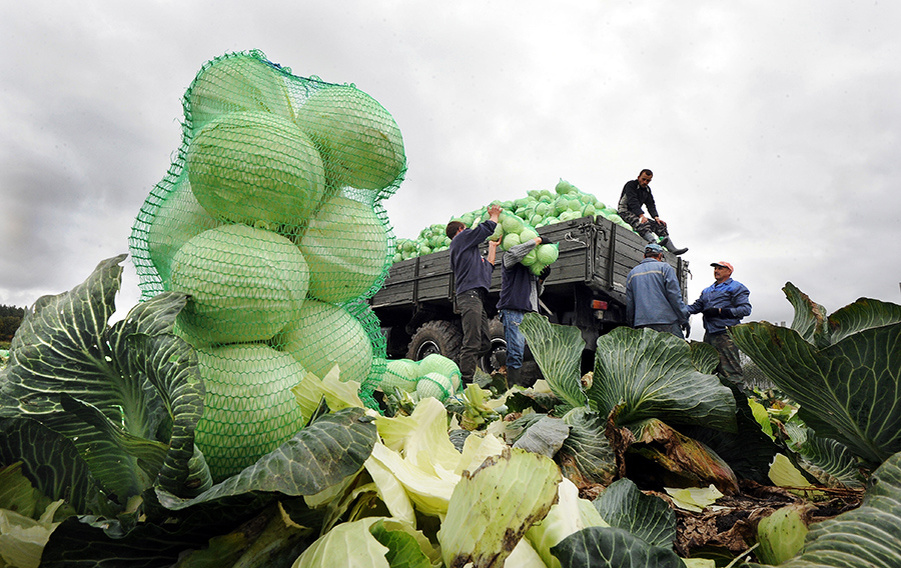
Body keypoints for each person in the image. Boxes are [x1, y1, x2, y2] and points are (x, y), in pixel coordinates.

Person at [447, 204, 502, 383]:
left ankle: (461, 365)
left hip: (476, 297)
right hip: (468, 296)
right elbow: (484, 229)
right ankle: (466, 383)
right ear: (461, 230)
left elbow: (489, 266)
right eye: (465, 229)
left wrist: (492, 246)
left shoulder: (471, 255)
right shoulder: (459, 241)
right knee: (472, 341)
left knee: (484, 343)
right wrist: (494, 216)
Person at [496, 235, 553, 387]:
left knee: (536, 350)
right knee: (516, 353)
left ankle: (503, 357)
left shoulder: (530, 267)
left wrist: (541, 279)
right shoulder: (510, 259)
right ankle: (514, 390)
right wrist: (538, 240)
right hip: (514, 310)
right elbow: (515, 253)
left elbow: (536, 294)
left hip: (531, 315)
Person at [687, 261, 752, 384]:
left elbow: (745, 309)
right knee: (707, 368)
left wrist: (720, 311)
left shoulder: (736, 287)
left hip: (725, 334)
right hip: (709, 334)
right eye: (715, 269)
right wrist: (678, 308)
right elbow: (696, 307)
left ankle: (738, 398)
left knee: (730, 371)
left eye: (720, 268)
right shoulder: (708, 290)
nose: (716, 271)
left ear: (729, 272)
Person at [625, 243, 690, 338]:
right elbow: (675, 297)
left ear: (644, 256)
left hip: (642, 324)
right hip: (666, 323)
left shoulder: (632, 273)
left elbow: (630, 303)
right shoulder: (665, 268)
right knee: (678, 352)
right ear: (660, 255)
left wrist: (632, 323)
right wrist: (684, 319)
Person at [617, 169, 688, 255]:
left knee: (659, 225)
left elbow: (650, 204)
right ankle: (653, 243)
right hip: (625, 211)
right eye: (643, 179)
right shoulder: (631, 185)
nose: (645, 182)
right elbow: (633, 201)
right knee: (642, 224)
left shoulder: (647, 190)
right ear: (639, 177)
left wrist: (656, 217)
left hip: (637, 214)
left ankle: (672, 248)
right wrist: (641, 215)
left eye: (648, 180)